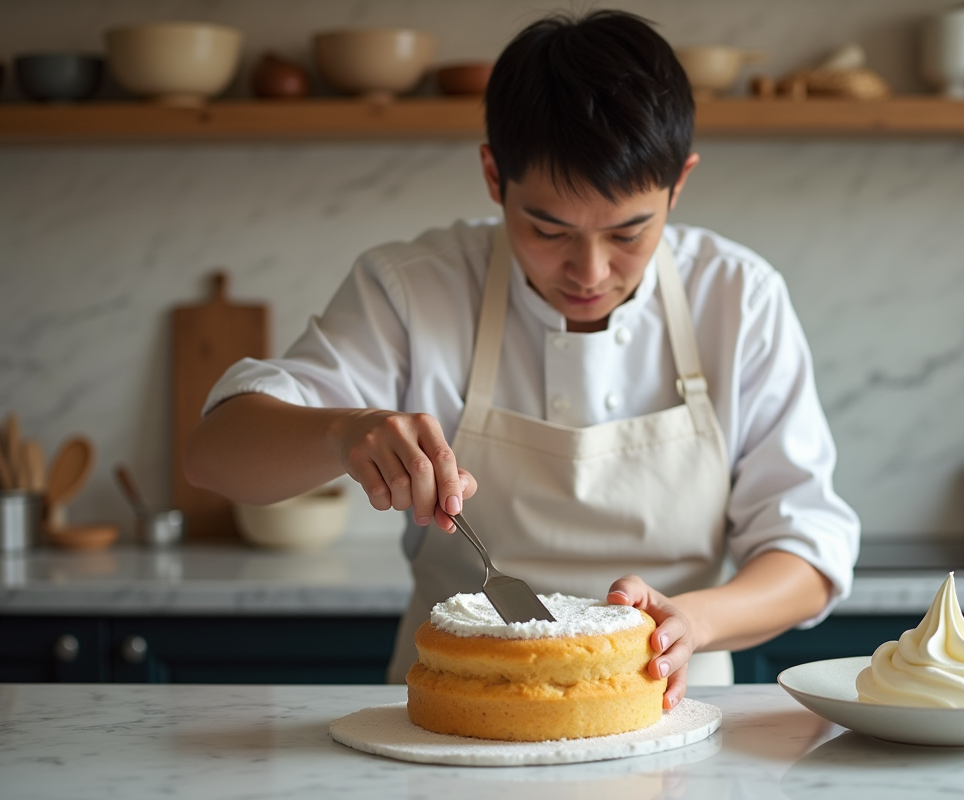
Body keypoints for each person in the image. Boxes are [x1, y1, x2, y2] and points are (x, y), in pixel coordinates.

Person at [184, 10, 859, 705]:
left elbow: (809, 552)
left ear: (678, 184)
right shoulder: (415, 287)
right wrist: (341, 431)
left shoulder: (738, 296)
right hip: (453, 719)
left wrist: (696, 620)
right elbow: (214, 454)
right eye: (548, 228)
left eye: (630, 231)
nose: (590, 271)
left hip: (669, 714)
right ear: (492, 175)